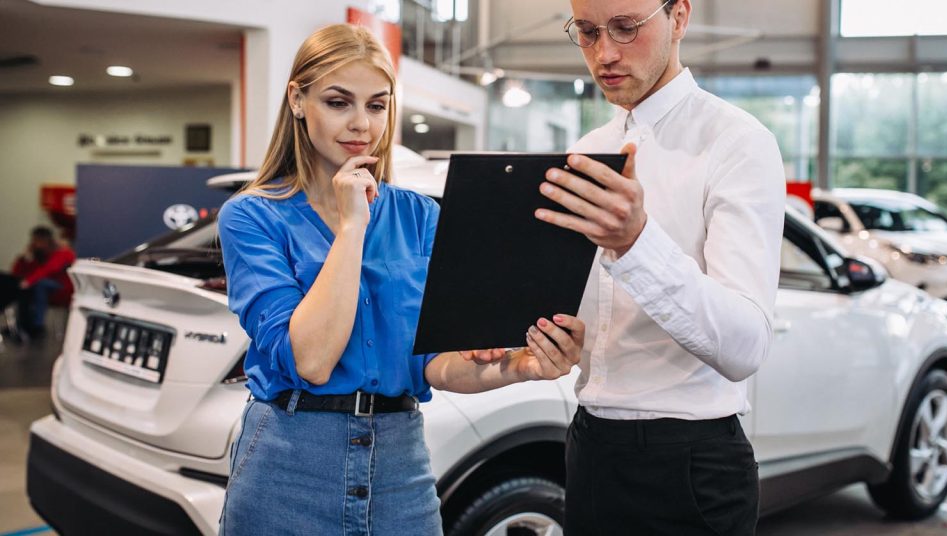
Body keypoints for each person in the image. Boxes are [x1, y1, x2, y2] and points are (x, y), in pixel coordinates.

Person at [216, 24, 585, 536]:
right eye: (338, 102)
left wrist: (521, 367)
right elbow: (313, 359)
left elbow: (436, 364)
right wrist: (352, 226)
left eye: (377, 105)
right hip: (289, 464)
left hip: (400, 465)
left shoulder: (419, 216)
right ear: (298, 101)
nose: (361, 125)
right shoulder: (251, 217)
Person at [537, 0, 786, 534]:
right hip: (589, 448)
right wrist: (553, 339)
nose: (604, 53)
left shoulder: (738, 143)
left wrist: (636, 243)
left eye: (626, 28)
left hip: (689, 467)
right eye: (586, 31)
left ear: (678, 18)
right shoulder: (587, 151)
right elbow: (588, 322)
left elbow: (745, 345)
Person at [1, 226, 75, 340]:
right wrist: (25, 258)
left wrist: (28, 282)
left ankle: (36, 326)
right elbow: (18, 273)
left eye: (39, 240)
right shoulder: (37, 255)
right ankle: (21, 326)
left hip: (62, 289)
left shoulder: (63, 253)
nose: (36, 244)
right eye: (34, 240)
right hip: (37, 287)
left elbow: (48, 270)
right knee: (12, 283)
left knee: (39, 284)